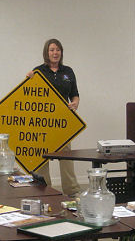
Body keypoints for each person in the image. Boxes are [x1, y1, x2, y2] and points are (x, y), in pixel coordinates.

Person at [27, 38, 81, 197]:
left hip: (62, 122)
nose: (55, 53)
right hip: (41, 122)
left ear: (61, 52)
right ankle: (45, 191)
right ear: (46, 52)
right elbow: (28, 95)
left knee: (66, 158)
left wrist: (76, 103)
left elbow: (74, 94)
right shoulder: (38, 71)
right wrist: (27, 80)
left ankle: (72, 191)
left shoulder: (68, 71)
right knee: (42, 157)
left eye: (58, 50)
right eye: (52, 50)